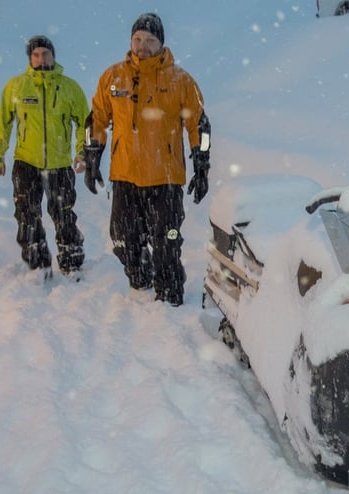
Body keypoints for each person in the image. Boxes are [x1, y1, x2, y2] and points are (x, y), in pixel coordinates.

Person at [83, 12, 210, 306]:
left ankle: (170, 293)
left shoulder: (180, 80)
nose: (143, 45)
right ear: (130, 40)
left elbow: (199, 126)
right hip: (125, 175)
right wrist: (92, 157)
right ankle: (139, 277)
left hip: (165, 179)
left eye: (150, 40)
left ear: (161, 44)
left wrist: (201, 165)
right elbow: (97, 121)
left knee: (167, 239)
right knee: (120, 239)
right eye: (138, 39)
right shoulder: (113, 77)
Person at [0, 35, 89, 279]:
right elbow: (3, 122)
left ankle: (71, 262)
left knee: (64, 213)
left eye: (45, 53)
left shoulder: (69, 88)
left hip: (59, 164)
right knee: (26, 214)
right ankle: (37, 263)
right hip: (26, 163)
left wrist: (82, 153)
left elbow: (86, 123)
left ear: (53, 56)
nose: (41, 58)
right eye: (36, 55)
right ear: (30, 58)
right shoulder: (16, 86)